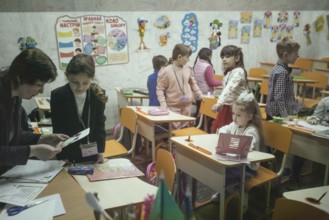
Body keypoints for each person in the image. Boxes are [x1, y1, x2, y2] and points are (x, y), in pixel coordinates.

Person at [0, 48, 68, 175]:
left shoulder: (15, 97)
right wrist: (34, 150)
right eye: (38, 84)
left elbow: (16, 135)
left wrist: (43, 138)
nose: (41, 91)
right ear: (20, 78)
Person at [51, 54, 108, 163]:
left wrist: (100, 151)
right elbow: (58, 127)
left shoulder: (98, 95)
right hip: (68, 151)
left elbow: (99, 125)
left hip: (91, 149)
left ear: (92, 78)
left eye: (85, 83)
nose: (80, 87)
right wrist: (62, 154)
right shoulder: (58, 96)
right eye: (75, 82)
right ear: (67, 76)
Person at [212, 92, 264, 206]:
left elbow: (244, 147)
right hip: (236, 160)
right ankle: (225, 190)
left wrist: (228, 140)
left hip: (248, 167)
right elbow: (223, 129)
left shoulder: (251, 131)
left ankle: (239, 196)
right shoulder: (235, 125)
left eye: (239, 115)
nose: (234, 118)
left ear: (249, 117)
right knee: (220, 167)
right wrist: (225, 135)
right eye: (233, 114)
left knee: (226, 171)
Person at [156, 43, 204, 129]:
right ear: (179, 57)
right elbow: (160, 89)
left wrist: (199, 94)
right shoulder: (166, 71)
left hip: (187, 105)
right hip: (173, 107)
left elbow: (193, 83)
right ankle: (174, 143)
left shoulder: (188, 69)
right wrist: (163, 103)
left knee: (185, 129)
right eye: (187, 57)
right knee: (176, 131)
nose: (188, 60)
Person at [211, 45, 249, 133]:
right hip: (227, 106)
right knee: (220, 130)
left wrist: (219, 102)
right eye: (222, 57)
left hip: (237, 109)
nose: (224, 59)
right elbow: (226, 88)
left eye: (227, 57)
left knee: (232, 133)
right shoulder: (228, 72)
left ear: (237, 58)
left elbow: (230, 87)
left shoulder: (239, 71)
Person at [265, 37, 300, 120]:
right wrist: (285, 116)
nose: (298, 56)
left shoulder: (277, 68)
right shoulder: (282, 72)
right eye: (296, 53)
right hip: (278, 115)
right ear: (286, 55)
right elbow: (279, 97)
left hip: (274, 112)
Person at [193, 47, 222, 118]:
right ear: (209, 56)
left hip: (197, 94)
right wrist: (223, 82)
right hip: (206, 95)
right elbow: (211, 83)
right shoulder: (208, 66)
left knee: (199, 113)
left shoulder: (196, 64)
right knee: (207, 116)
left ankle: (198, 125)